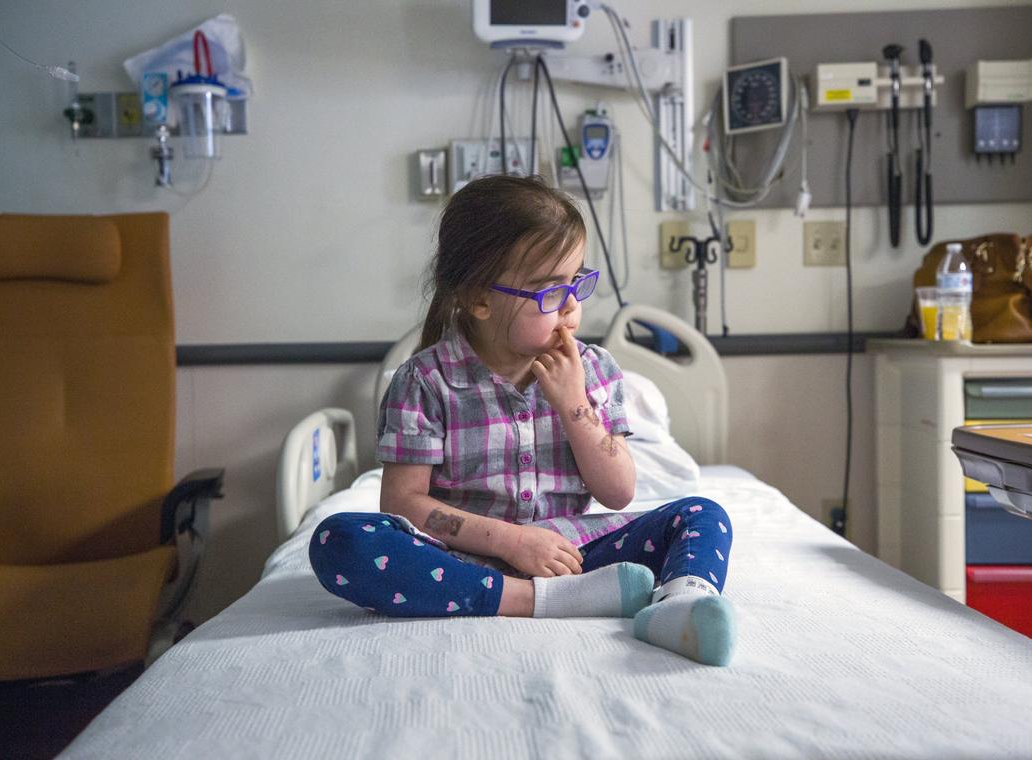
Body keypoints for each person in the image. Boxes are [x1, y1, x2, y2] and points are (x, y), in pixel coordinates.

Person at [310, 175, 736, 665]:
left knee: (704, 515)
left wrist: (575, 405)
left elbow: (618, 492)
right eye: (549, 291)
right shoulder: (427, 380)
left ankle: (678, 609)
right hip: (460, 561)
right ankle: (537, 601)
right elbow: (403, 503)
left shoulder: (594, 371)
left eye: (577, 281)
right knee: (338, 541)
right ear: (480, 299)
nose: (573, 305)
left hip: (575, 555)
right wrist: (512, 541)